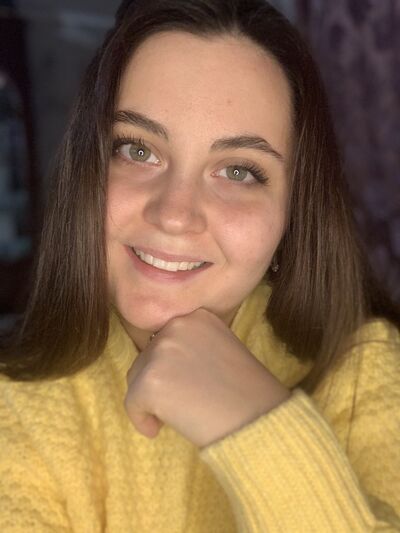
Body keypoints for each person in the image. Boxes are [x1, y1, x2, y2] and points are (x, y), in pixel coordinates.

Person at [1, 0, 399, 530]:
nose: (174, 214)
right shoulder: (13, 408)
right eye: (137, 150)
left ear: (294, 210)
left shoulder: (363, 369)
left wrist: (253, 425)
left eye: (238, 171)